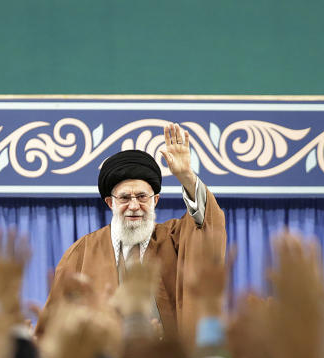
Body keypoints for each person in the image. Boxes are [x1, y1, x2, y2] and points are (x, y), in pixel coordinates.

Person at [37, 123, 226, 341]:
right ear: (110, 203)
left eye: (142, 197)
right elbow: (55, 327)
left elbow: (208, 226)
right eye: (125, 198)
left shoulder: (175, 238)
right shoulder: (82, 253)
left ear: (155, 200)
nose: (134, 205)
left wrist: (186, 176)